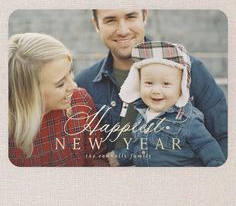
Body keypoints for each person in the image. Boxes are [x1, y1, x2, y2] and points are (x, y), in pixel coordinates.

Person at [75, 9, 227, 158]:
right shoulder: (83, 84)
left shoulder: (188, 70)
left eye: (130, 17)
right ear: (96, 24)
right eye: (110, 20)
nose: (122, 30)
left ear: (144, 16)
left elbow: (225, 136)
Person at [106, 41, 225, 166]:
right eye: (149, 83)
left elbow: (209, 150)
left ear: (181, 88)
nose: (156, 90)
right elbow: (136, 147)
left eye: (166, 84)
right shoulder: (142, 115)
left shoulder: (188, 120)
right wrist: (119, 157)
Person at [8, 33, 108, 167]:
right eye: (60, 84)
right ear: (29, 93)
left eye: (70, 71)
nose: (74, 86)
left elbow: (97, 160)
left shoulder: (80, 101)